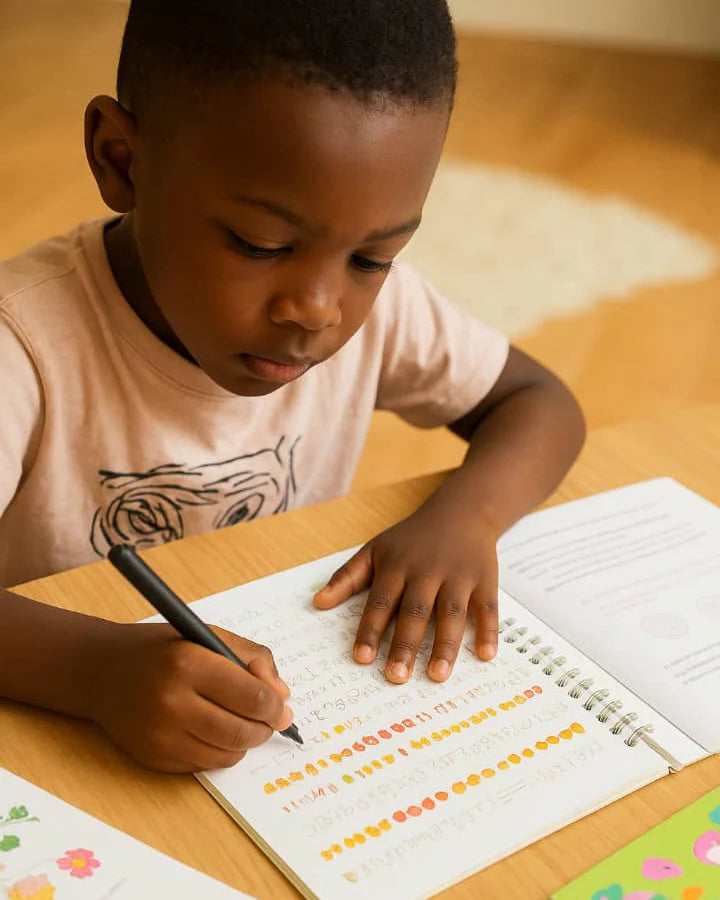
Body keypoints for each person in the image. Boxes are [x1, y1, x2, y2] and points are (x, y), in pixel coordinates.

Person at [0, 0, 585, 772]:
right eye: (260, 243)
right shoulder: (22, 343)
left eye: (372, 259)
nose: (317, 309)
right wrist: (93, 670)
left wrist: (465, 520)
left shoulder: (382, 312)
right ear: (122, 159)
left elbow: (538, 402)